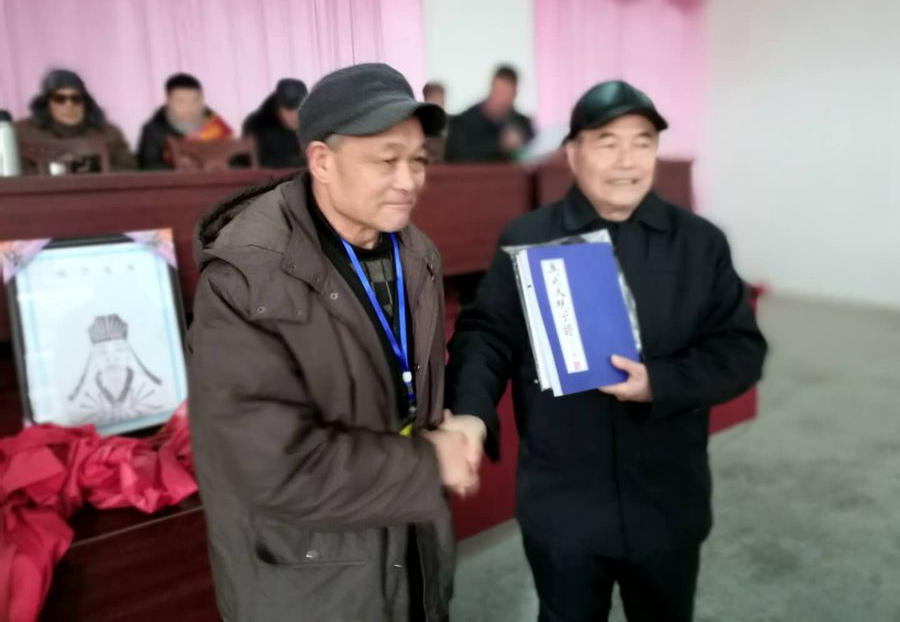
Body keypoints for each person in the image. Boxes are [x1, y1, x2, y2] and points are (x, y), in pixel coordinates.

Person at [445, 80, 768, 621]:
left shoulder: (699, 242)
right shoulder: (528, 237)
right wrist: (471, 413)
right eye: (607, 141)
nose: (627, 160)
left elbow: (740, 349)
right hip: (562, 502)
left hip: (666, 501)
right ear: (573, 154)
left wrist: (659, 382)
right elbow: (486, 334)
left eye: (642, 142)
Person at [188, 63, 479, 622]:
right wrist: (429, 465)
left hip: (411, 547)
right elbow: (275, 466)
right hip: (313, 579)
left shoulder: (415, 253)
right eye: (386, 161)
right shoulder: (247, 280)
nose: (409, 181)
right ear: (322, 161)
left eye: (419, 160)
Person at [14, 69, 135, 173]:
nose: (69, 105)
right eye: (60, 99)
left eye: (76, 98)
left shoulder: (109, 133)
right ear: (46, 103)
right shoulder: (22, 132)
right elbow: (15, 176)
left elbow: (131, 173)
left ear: (85, 102)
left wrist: (89, 168)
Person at [136, 73, 232, 170]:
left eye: (195, 100)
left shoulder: (216, 126)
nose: (189, 107)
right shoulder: (153, 131)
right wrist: (179, 165)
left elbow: (236, 163)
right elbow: (149, 168)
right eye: (181, 101)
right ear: (168, 101)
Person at [444, 65, 534, 163]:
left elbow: (533, 156)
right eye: (499, 92)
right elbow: (457, 157)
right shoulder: (464, 122)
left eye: (507, 94)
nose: (501, 100)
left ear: (515, 95)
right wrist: (499, 146)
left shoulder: (522, 124)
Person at [242, 78, 308, 168]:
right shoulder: (258, 126)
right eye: (288, 110)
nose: (294, 115)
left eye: (298, 109)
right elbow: (264, 164)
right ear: (278, 108)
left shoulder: (312, 119)